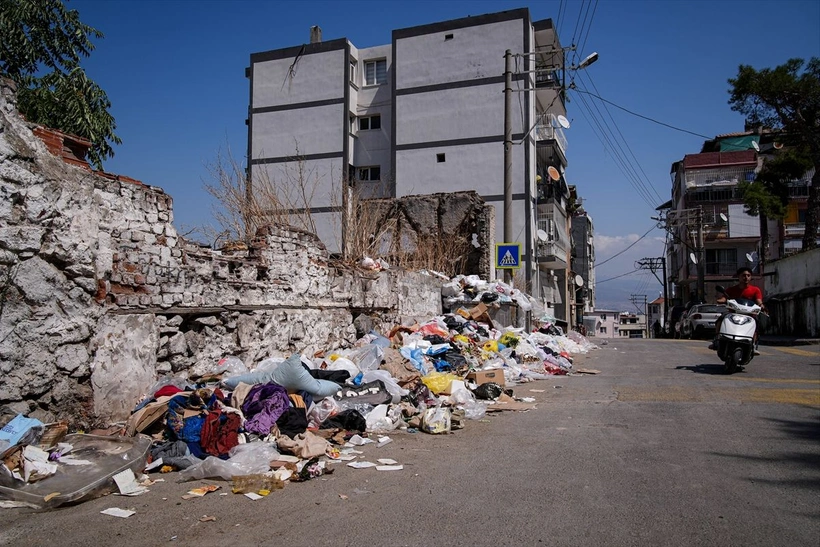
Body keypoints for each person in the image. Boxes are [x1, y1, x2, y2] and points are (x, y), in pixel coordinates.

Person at [708, 266, 765, 354]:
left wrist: (762, 306)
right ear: (738, 277)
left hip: (749, 315)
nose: (746, 277)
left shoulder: (755, 290)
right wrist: (721, 300)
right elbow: (724, 298)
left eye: (748, 275)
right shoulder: (731, 289)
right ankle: (717, 340)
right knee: (721, 319)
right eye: (743, 275)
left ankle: (752, 345)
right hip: (733, 313)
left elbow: (759, 301)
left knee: (756, 323)